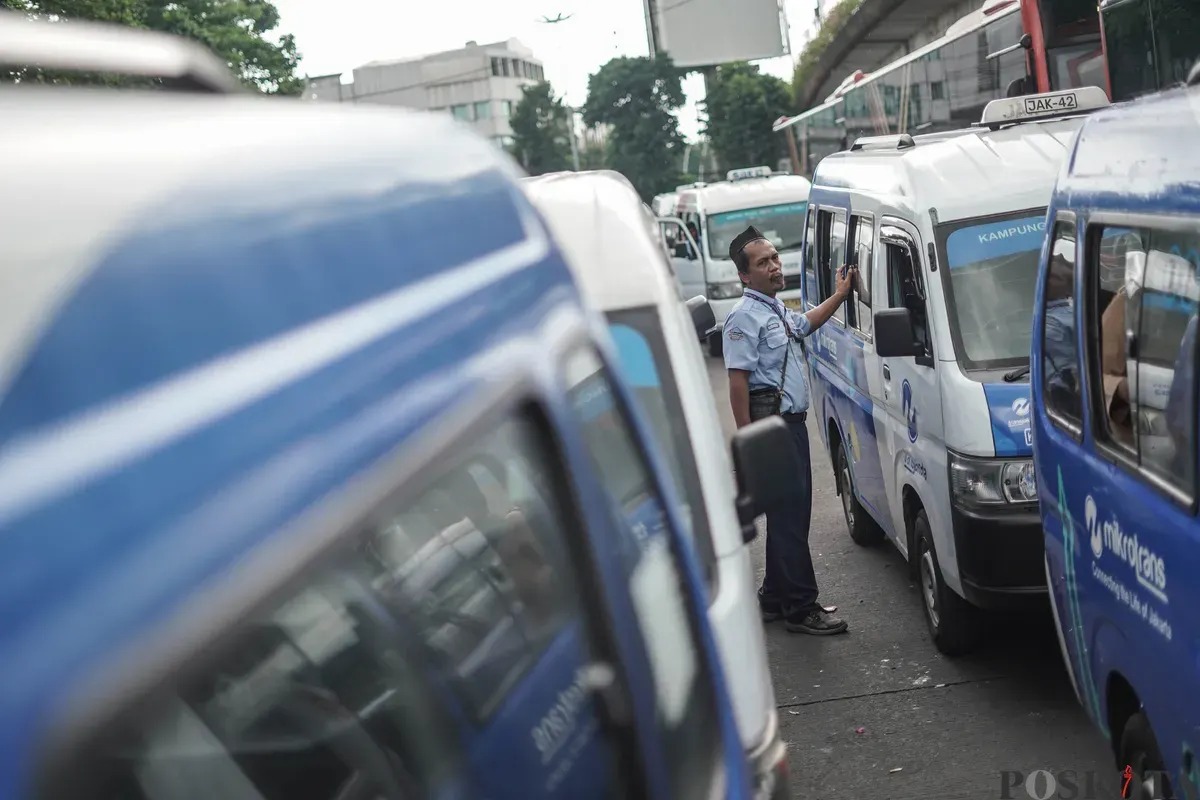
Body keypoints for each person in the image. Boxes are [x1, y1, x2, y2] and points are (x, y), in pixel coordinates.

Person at [723, 224, 855, 635]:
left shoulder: (774, 309)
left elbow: (804, 325)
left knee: (786, 516)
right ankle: (802, 608)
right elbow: (737, 382)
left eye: (775, 258)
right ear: (745, 275)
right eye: (764, 263)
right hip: (772, 429)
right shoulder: (744, 317)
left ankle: (775, 599)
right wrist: (750, 443)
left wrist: (839, 295)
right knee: (790, 518)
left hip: (788, 428)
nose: (775, 266)